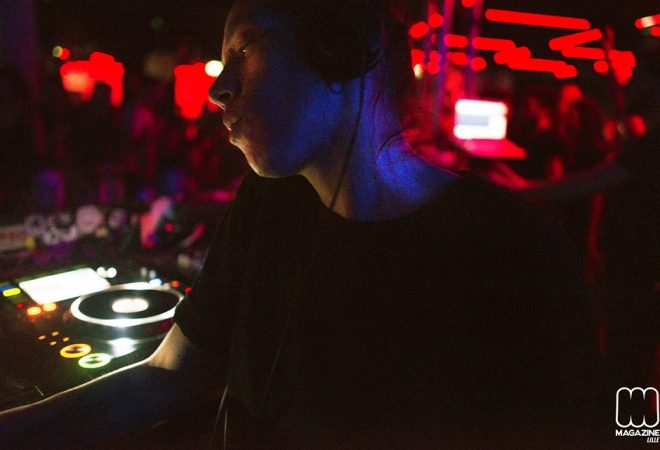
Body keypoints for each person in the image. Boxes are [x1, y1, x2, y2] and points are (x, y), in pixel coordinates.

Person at [0, 0, 606, 447]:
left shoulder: (515, 250)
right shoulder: (264, 205)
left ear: (341, 49)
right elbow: (166, 375)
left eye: (244, 49)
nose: (218, 88)